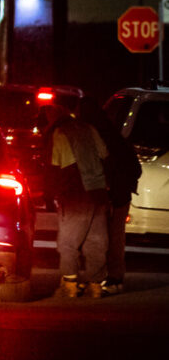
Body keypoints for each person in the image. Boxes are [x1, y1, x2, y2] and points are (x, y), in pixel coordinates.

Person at [40, 104, 110, 298]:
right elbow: (104, 155)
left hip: (75, 192)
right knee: (96, 240)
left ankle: (70, 285)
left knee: (68, 242)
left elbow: (54, 166)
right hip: (98, 191)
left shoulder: (59, 133)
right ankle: (95, 285)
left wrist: (50, 194)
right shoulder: (89, 128)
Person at [78, 97, 141, 296]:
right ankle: (111, 276)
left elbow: (103, 163)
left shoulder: (95, 132)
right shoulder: (109, 130)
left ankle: (111, 278)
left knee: (107, 237)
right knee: (113, 236)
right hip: (118, 192)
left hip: (112, 193)